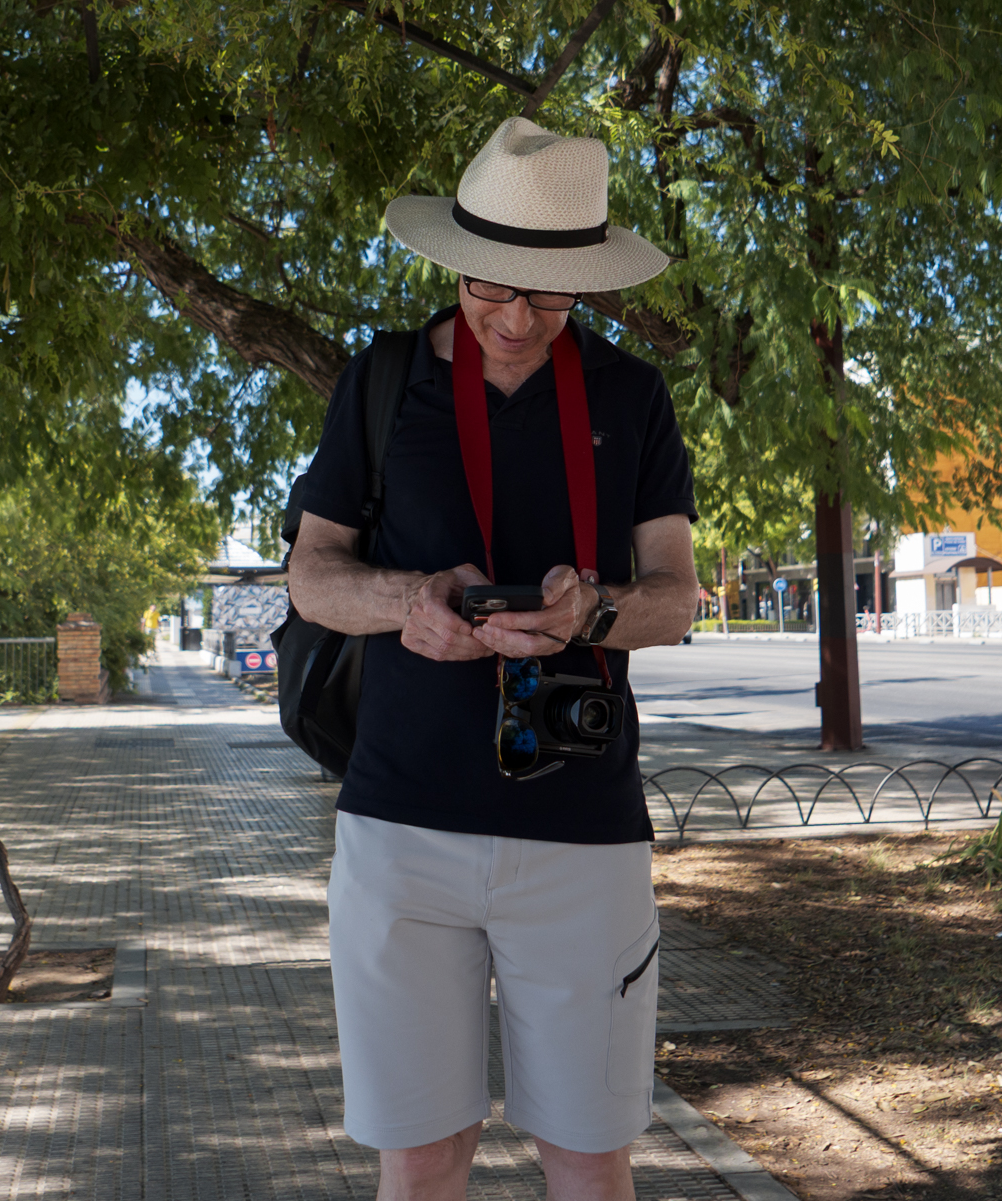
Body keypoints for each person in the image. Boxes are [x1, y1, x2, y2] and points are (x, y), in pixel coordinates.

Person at [287, 117, 700, 1201]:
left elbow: (677, 596)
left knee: (587, 1161)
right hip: (400, 829)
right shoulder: (380, 382)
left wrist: (592, 613)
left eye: (549, 296)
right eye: (491, 287)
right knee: (421, 1160)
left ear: (585, 282)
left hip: (583, 836)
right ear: (454, 260)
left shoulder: (633, 397)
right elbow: (310, 573)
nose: (516, 320)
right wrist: (403, 602)